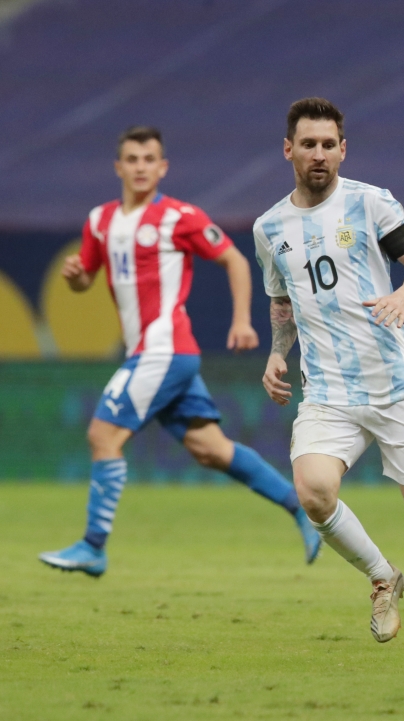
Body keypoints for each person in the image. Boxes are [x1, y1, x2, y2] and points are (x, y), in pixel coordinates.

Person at [254, 98, 404, 649]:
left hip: (392, 383)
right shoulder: (269, 228)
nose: (318, 154)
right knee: (313, 491)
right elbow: (283, 301)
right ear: (288, 150)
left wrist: (401, 297)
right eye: (307, 144)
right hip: (327, 390)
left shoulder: (370, 203)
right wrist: (277, 352)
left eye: (328, 145)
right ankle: (383, 577)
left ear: (343, 150)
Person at [39, 126, 320, 578]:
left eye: (149, 159)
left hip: (164, 349)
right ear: (118, 167)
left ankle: (93, 546)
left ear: (163, 167)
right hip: (154, 354)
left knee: (102, 435)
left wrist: (242, 320)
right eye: (132, 159)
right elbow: (85, 277)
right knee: (211, 450)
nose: (141, 167)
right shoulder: (100, 221)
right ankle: (300, 509)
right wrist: (75, 277)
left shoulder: (178, 217)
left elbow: (233, 259)